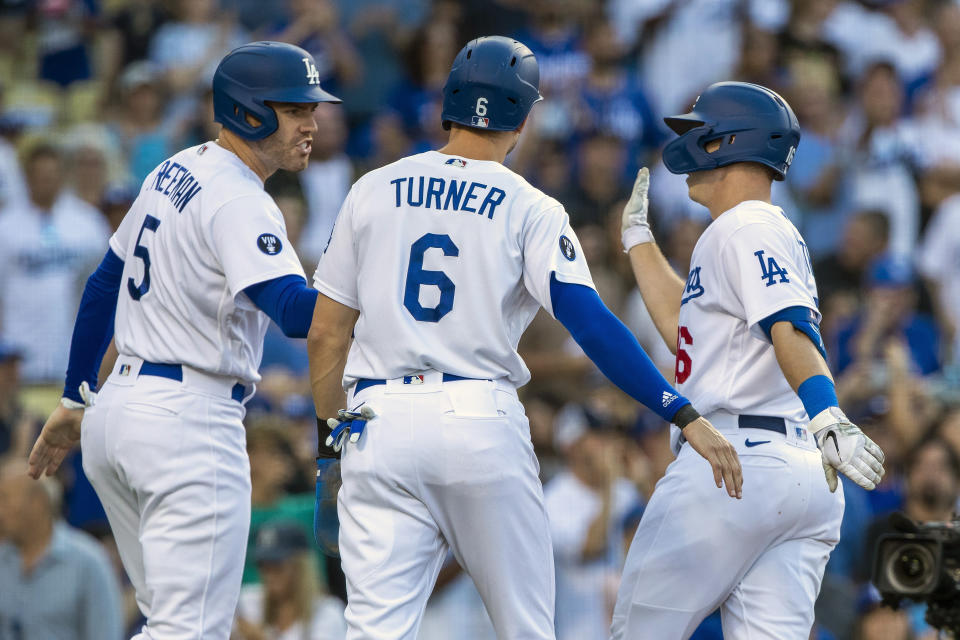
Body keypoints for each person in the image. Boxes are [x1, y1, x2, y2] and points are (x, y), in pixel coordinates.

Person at [306, 36, 742, 640]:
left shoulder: (373, 187)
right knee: (527, 630)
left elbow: (327, 334)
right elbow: (588, 323)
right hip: (476, 420)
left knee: (375, 631)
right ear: (525, 116)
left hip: (377, 420)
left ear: (449, 102)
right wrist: (679, 408)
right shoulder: (529, 205)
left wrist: (331, 450)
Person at [26, 41, 341, 640]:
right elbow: (299, 316)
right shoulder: (241, 200)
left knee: (180, 627)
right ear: (251, 112)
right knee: (187, 632)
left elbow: (103, 285)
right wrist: (366, 279)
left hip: (118, 415)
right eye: (297, 109)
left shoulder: (179, 166)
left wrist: (74, 397)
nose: (312, 123)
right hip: (186, 424)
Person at [612, 81, 887, 639]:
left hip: (734, 463)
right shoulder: (752, 229)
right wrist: (639, 239)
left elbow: (789, 328)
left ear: (728, 141)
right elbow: (681, 332)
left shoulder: (745, 225)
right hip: (802, 479)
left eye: (699, 132)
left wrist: (827, 411)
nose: (689, 146)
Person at [0, 459, 124, 640]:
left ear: (37, 503)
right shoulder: (3, 559)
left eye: (5, 500)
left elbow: (106, 633)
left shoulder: (89, 562)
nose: (0, 512)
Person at [235, 520, 347, 640]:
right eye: (264, 566)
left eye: (277, 565)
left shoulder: (328, 612)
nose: (269, 575)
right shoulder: (248, 601)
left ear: (300, 566)